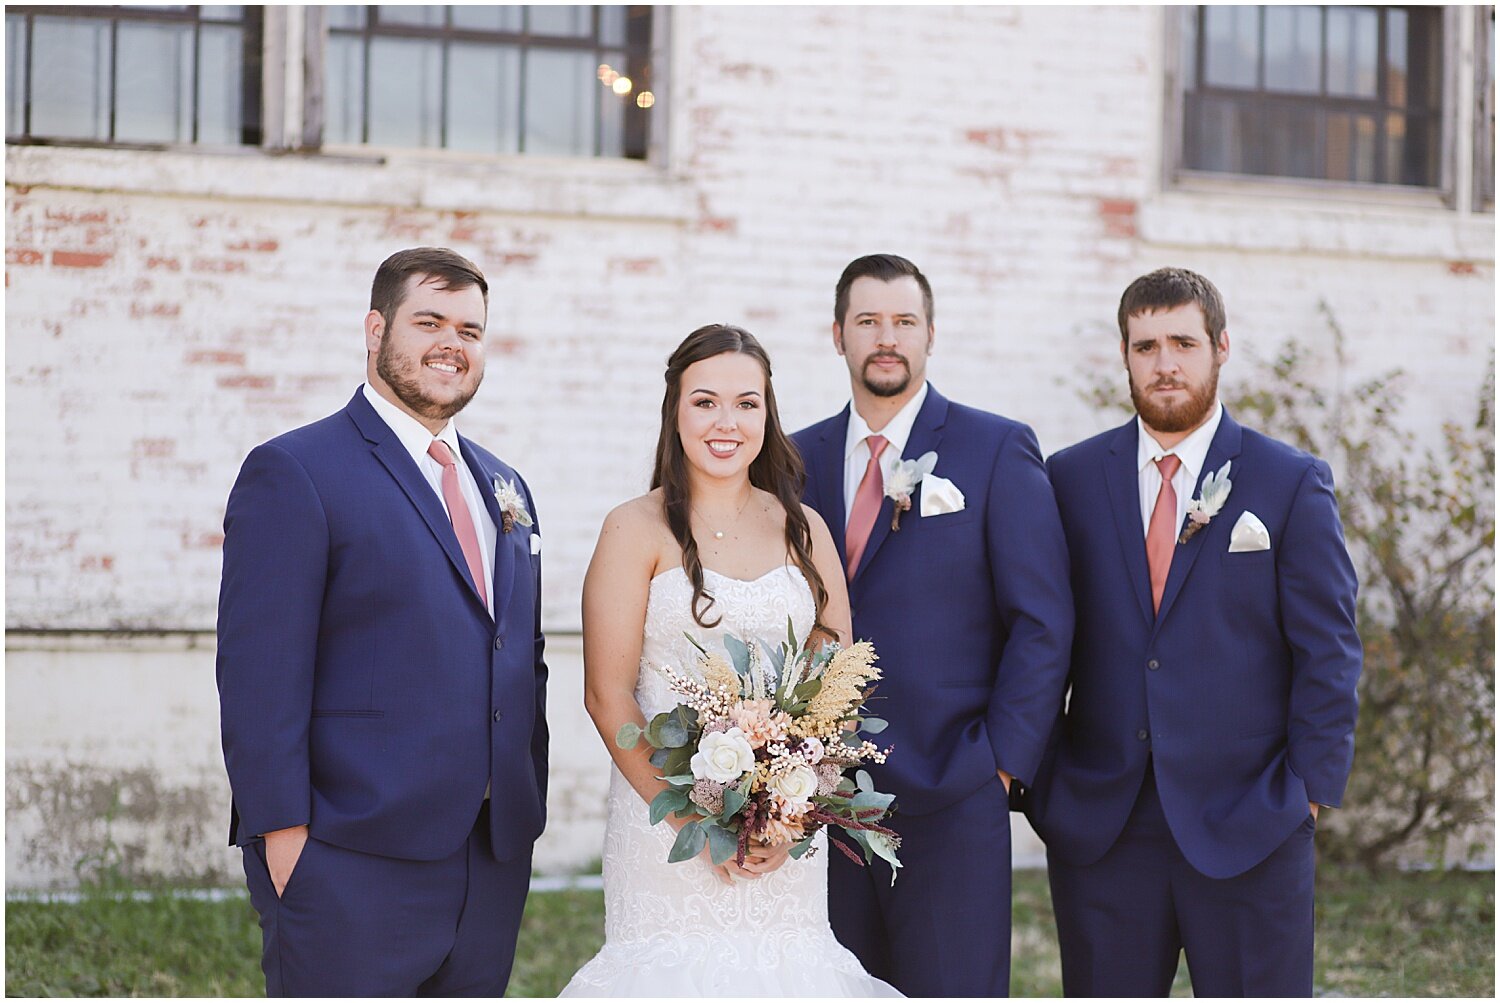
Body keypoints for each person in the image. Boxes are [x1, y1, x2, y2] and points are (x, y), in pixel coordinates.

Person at [216, 247, 547, 996]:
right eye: (428, 320)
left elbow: (520, 656)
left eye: (470, 329)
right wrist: (286, 841)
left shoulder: (505, 485)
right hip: (348, 859)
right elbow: (259, 676)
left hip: (488, 863)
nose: (451, 343)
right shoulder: (296, 471)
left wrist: (524, 806)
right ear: (374, 328)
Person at [1031, 267, 1361, 996]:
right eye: (1145, 345)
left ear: (1220, 347)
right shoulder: (1069, 478)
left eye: (1182, 341)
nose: (1165, 363)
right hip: (1104, 824)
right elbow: (1039, 632)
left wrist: (1308, 788)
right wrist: (1043, 774)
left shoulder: (1289, 481)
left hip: (1254, 816)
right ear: (1124, 355)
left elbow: (1329, 648)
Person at [562, 324, 900, 996]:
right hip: (664, 825)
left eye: (748, 403)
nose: (727, 422)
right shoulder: (634, 527)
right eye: (705, 401)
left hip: (784, 843)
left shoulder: (805, 528)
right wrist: (693, 817)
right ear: (675, 411)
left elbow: (836, 687)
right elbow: (607, 695)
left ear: (767, 415)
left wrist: (786, 815)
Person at [791, 254, 1074, 996]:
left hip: (954, 793)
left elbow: (1042, 620)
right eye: (868, 322)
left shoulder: (994, 449)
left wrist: (1000, 765)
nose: (887, 338)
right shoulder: (789, 457)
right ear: (837, 335)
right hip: (816, 802)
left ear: (930, 335)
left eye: (904, 322)